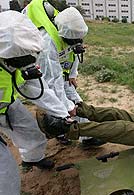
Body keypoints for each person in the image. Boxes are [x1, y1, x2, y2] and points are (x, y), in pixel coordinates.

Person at [22, 0, 104, 147]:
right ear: (64, 35)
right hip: (49, 76)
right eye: (74, 40)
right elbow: (53, 81)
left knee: (77, 103)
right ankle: (60, 132)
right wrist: (66, 106)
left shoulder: (70, 26)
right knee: (58, 105)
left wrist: (73, 74)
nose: (77, 42)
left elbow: (75, 53)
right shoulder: (48, 43)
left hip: (64, 75)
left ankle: (86, 137)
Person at [0, 10, 57, 195]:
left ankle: (32, 158)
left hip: (6, 105)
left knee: (31, 132)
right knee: (4, 175)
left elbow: (36, 89)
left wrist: (63, 112)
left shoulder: (11, 61)